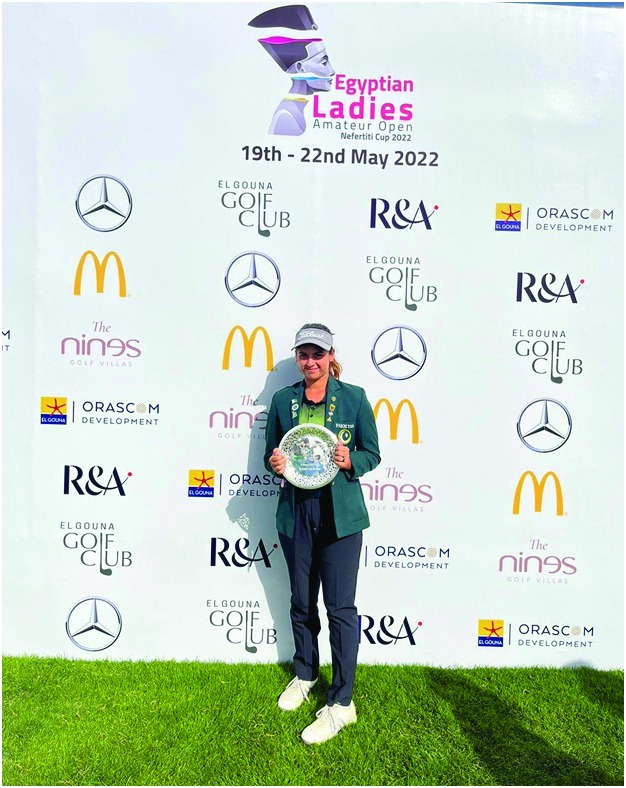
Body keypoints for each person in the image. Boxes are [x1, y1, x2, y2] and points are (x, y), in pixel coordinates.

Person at [264, 323, 381, 744]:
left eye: (318, 354)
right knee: (300, 601)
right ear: (297, 357)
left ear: (332, 356)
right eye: (304, 354)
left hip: (339, 516)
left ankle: (342, 702)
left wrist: (351, 461)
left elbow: (372, 454)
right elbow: (270, 456)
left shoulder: (355, 398)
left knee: (340, 609)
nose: (310, 361)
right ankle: (305, 674)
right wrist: (275, 464)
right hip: (297, 512)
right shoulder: (283, 400)